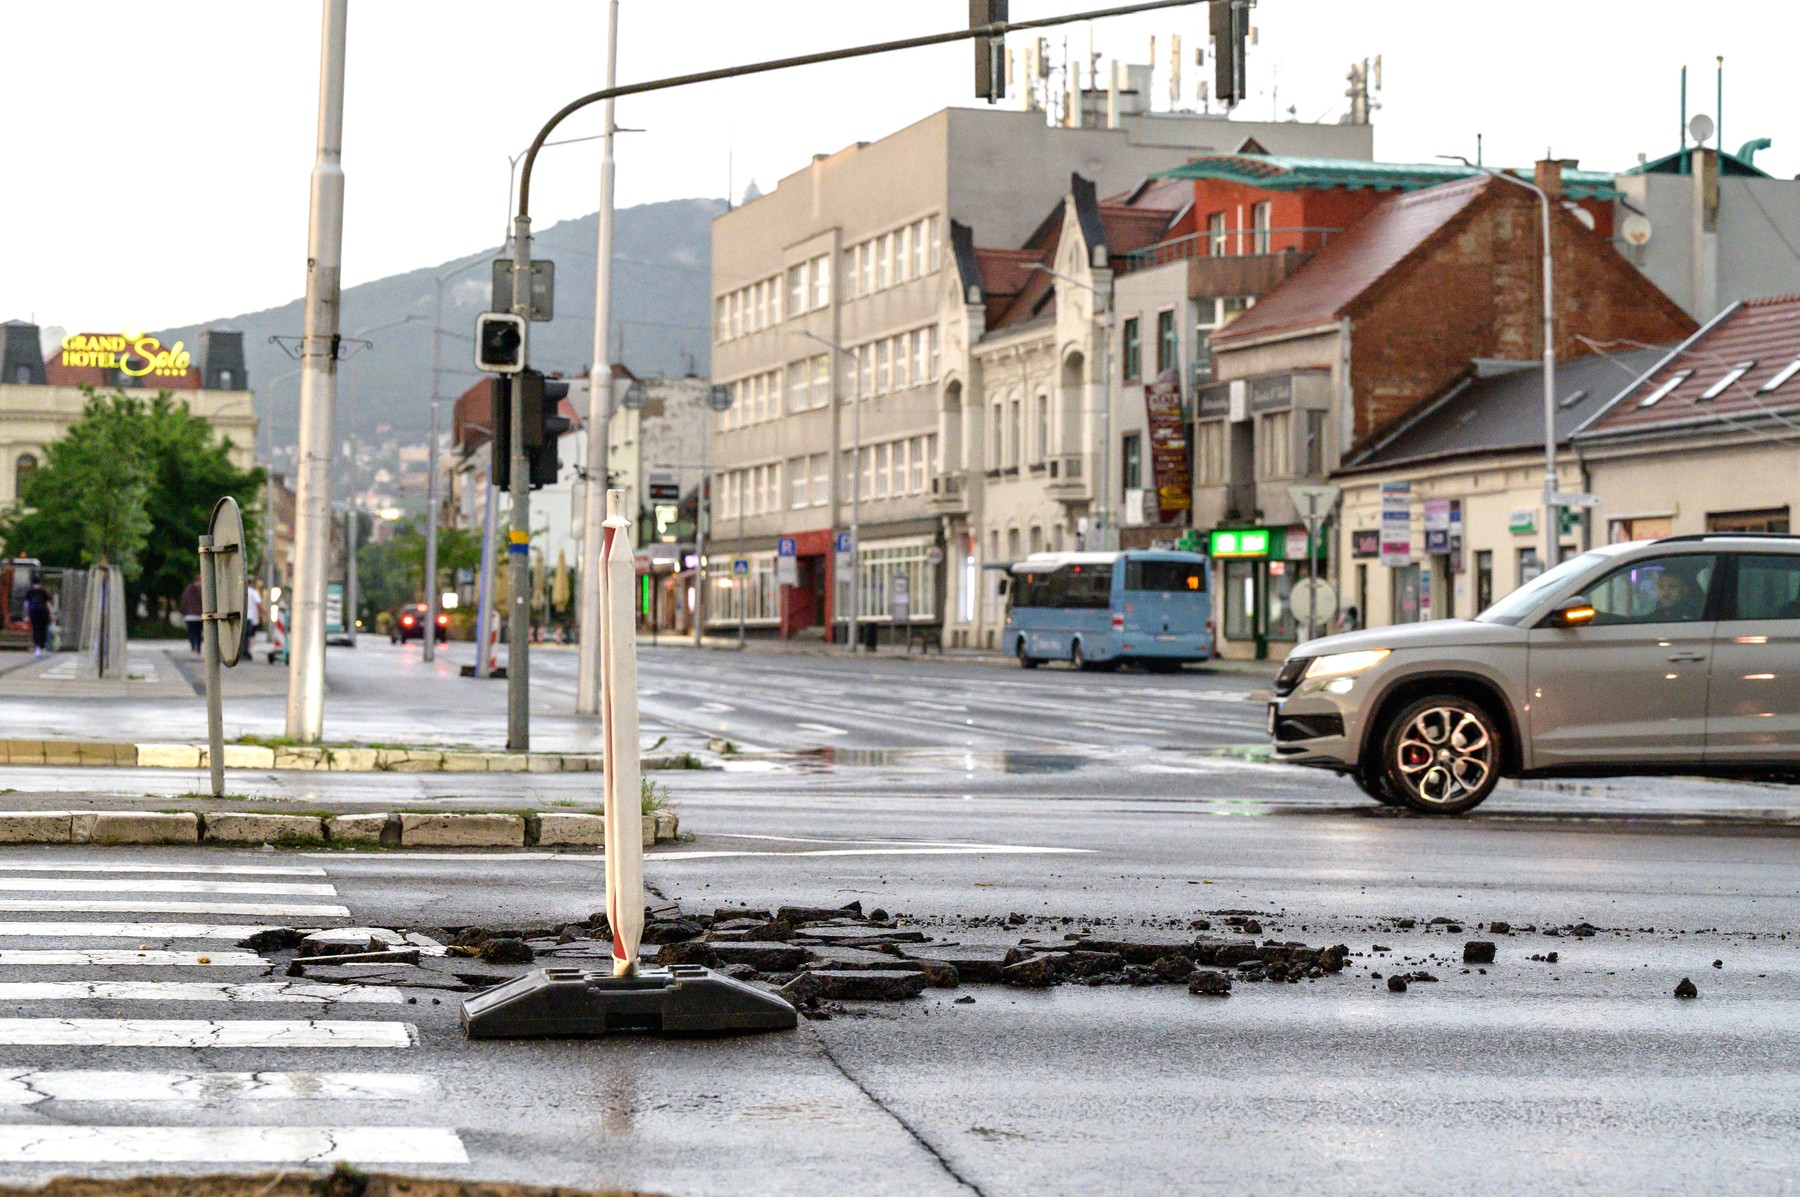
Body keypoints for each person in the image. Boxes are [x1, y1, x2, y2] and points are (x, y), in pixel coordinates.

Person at [23, 574, 51, 658]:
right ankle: (42, 645)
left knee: (36, 629)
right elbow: (47, 603)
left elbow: (26, 604)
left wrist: (27, 615)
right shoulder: (43, 592)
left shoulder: (29, 592)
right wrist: (51, 613)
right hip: (43, 611)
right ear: (40, 582)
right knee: (43, 628)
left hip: (33, 611)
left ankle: (37, 647)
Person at [180, 575, 204, 656]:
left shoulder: (188, 589)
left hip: (191, 616)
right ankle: (196, 649)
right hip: (197, 615)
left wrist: (184, 612)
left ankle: (195, 649)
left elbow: (184, 601)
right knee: (197, 633)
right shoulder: (201, 590)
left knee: (193, 633)